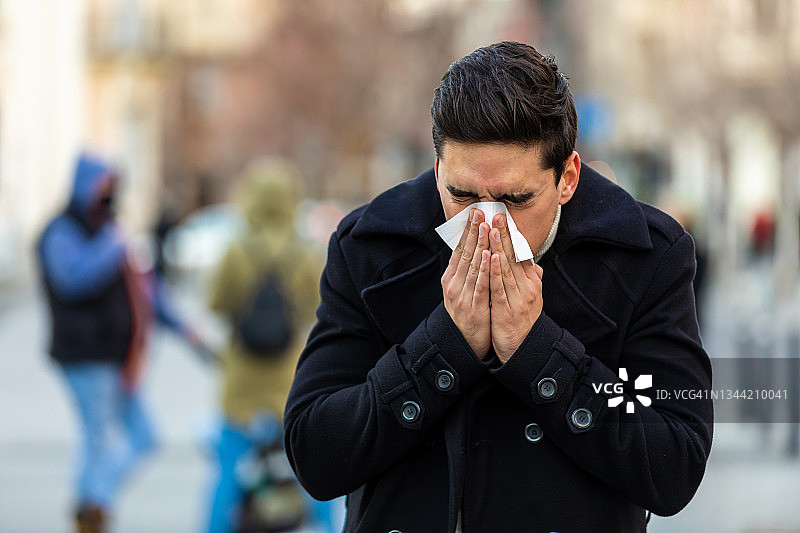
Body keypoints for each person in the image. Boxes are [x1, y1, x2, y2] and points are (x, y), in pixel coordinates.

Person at [284, 42, 713, 532]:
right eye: (462, 195)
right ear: (439, 167)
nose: (486, 222)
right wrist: (444, 345)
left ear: (567, 178)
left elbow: (675, 464)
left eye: (515, 199)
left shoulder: (645, 257)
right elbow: (314, 452)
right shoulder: (372, 247)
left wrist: (538, 353)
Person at [36, 153, 201, 533]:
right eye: (102, 188)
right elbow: (72, 278)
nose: (109, 196)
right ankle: (90, 514)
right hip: (85, 356)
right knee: (97, 439)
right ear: (84, 186)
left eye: (113, 189)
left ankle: (93, 503)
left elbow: (146, 290)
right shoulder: (60, 231)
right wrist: (114, 246)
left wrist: (183, 326)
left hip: (119, 359)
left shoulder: (112, 230)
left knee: (144, 435)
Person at [204, 159, 331, 533]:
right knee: (309, 469)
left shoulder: (235, 250)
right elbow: (319, 307)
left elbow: (216, 303)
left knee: (228, 473)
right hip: (289, 381)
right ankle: (329, 528)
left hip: (241, 381)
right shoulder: (306, 254)